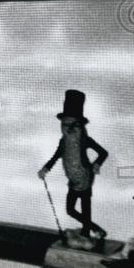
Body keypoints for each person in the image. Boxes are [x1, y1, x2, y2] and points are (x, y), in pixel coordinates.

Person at [38, 90, 108, 241]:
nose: (69, 129)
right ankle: (95, 229)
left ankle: (86, 234)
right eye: (65, 125)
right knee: (70, 209)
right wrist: (45, 168)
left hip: (85, 178)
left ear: (80, 126)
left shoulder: (85, 140)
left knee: (85, 208)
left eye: (73, 125)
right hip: (72, 180)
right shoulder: (63, 142)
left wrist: (97, 164)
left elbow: (103, 153)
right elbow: (56, 157)